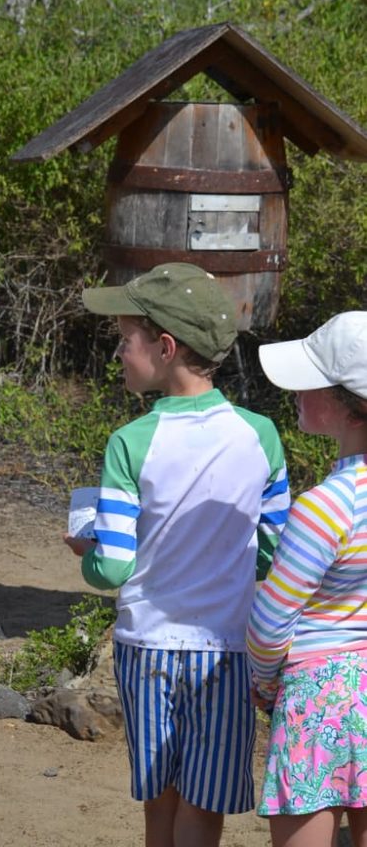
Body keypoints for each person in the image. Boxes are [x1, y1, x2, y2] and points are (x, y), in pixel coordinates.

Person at [63, 262, 290, 847]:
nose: (118, 352)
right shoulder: (261, 435)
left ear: (165, 348)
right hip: (225, 650)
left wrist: (86, 552)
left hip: (146, 647)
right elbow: (272, 550)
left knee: (158, 799)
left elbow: (112, 567)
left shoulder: (129, 442)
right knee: (203, 805)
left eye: (125, 340)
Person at [246, 312, 367, 847]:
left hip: (317, 697)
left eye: (309, 383)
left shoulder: (325, 506)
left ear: (350, 406)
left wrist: (265, 684)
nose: (296, 392)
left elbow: (271, 623)